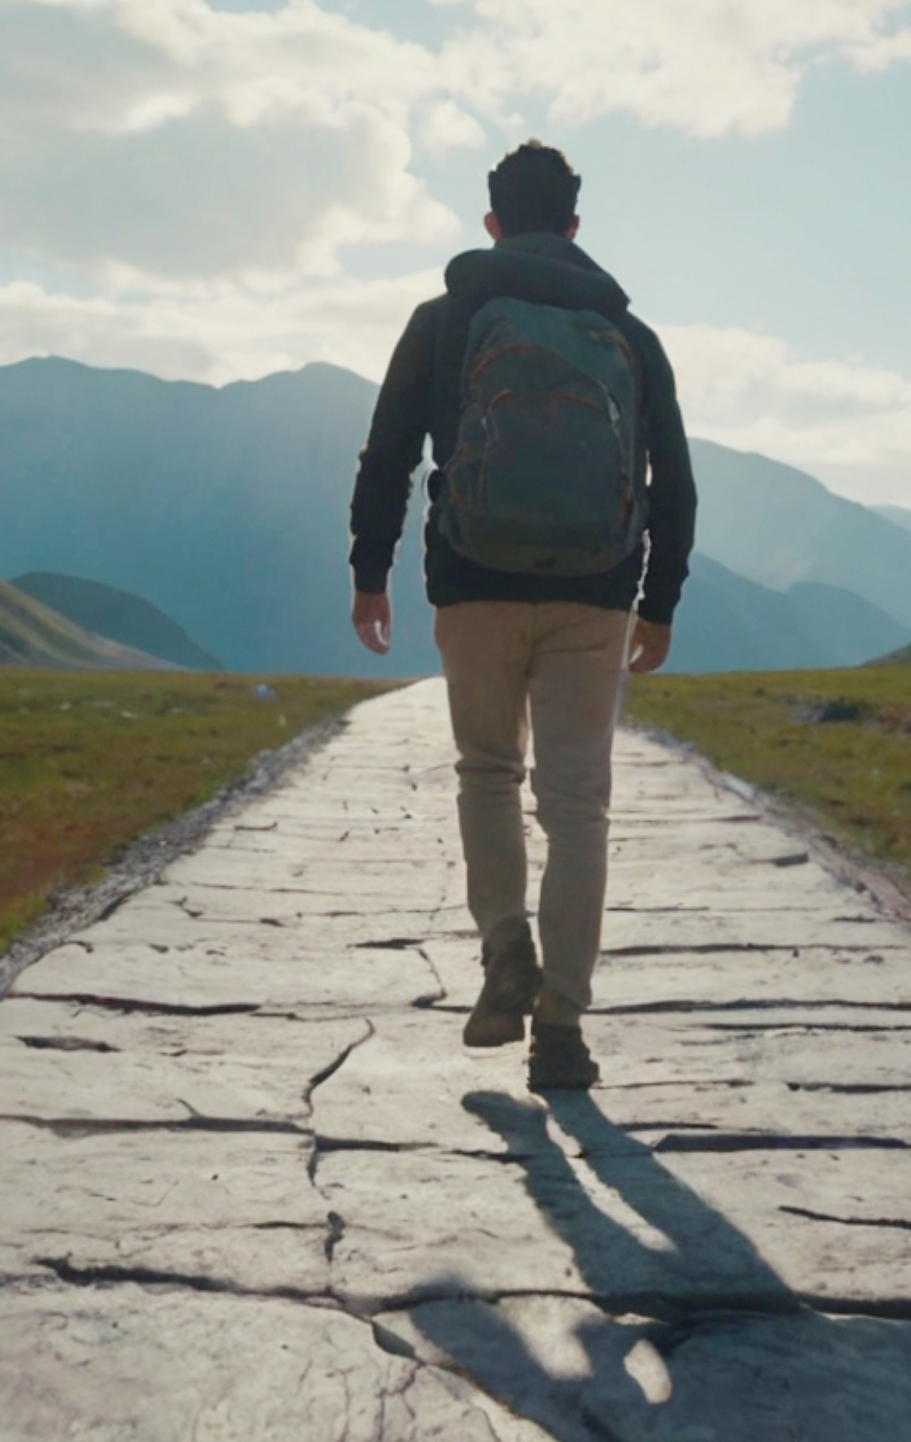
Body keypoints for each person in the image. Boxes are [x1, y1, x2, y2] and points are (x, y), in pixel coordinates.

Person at [347, 140, 697, 1091]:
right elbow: (673, 479)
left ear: (492, 222)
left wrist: (369, 570)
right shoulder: (631, 336)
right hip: (596, 592)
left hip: (473, 582)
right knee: (578, 802)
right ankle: (563, 1029)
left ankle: (506, 946)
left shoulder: (445, 319)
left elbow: (388, 455)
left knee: (489, 771)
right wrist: (657, 602)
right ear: (576, 228)